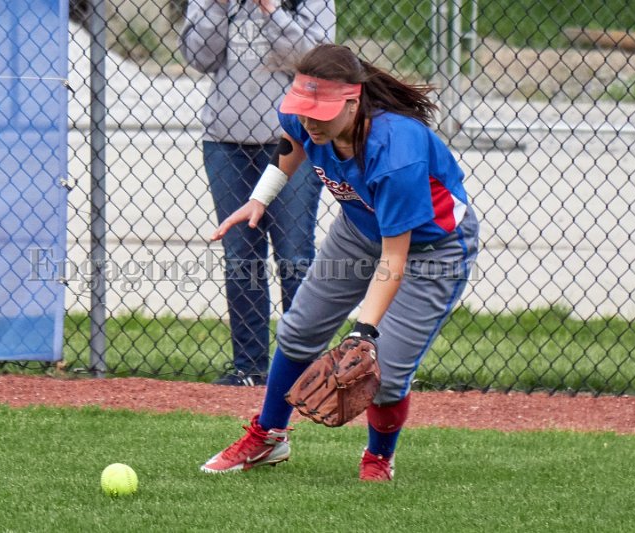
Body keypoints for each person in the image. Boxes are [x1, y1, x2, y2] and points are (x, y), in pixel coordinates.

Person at [200, 44, 480, 481]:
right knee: (299, 331)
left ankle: (378, 459)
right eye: (304, 109)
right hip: (358, 229)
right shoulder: (306, 119)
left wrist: (363, 332)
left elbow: (394, 257)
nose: (311, 120)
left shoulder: (395, 151)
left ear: (353, 102)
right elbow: (292, 142)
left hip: (433, 249)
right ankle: (269, 436)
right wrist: (261, 197)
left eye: (322, 112)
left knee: (385, 368)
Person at [179, 0, 336, 386]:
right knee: (240, 256)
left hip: (293, 140)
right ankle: (249, 367)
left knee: (294, 254)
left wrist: (272, 10)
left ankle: (303, 370)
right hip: (226, 141)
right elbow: (199, 56)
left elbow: (315, 63)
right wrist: (218, 7)